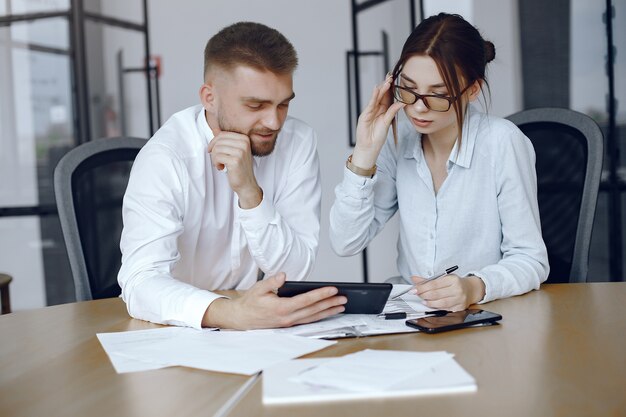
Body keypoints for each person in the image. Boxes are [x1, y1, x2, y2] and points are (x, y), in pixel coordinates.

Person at [119, 21, 346, 330]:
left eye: (283, 105)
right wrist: (235, 314)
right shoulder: (165, 157)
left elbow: (295, 272)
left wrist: (251, 194)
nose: (274, 122)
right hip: (175, 328)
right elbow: (140, 283)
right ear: (209, 98)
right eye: (256, 105)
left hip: (256, 329)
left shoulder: (297, 142)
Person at [330, 13, 549, 311]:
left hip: (487, 314)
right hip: (412, 315)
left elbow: (531, 259)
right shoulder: (398, 140)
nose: (419, 108)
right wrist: (364, 156)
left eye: (439, 95)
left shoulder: (502, 143)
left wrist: (473, 287)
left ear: (472, 90)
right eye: (408, 88)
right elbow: (345, 242)